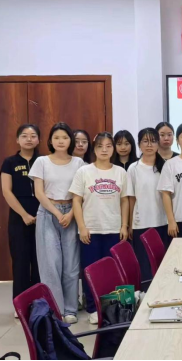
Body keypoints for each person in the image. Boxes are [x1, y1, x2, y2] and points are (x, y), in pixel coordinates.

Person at [29, 122, 85, 324]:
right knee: (50, 264)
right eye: (56, 138)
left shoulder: (79, 163)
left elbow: (81, 192)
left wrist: (69, 214)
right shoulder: (42, 162)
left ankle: (70, 309)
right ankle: (56, 310)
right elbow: (39, 193)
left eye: (65, 137)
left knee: (71, 265)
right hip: (47, 212)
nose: (61, 141)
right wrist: (56, 212)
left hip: (72, 213)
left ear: (71, 141)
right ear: (50, 141)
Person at [70, 132, 129, 325]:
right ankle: (93, 308)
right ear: (94, 149)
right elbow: (76, 200)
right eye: (100, 146)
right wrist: (82, 227)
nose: (104, 150)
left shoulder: (120, 172)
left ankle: (114, 308)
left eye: (108, 146)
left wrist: (124, 225)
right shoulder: (84, 171)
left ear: (113, 149)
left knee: (113, 271)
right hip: (91, 230)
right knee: (91, 270)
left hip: (114, 228)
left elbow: (125, 201)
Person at [0, 124, 41, 313]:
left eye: (33, 136)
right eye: (24, 136)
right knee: (21, 262)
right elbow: (6, 191)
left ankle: (39, 303)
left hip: (42, 216)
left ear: (39, 140)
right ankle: (21, 306)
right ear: (17, 140)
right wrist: (24, 215)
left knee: (40, 262)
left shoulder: (43, 161)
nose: (29, 139)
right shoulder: (9, 162)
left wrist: (42, 213)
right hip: (19, 218)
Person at [127, 128, 170, 282]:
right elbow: (131, 198)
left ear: (158, 144)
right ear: (139, 144)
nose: (149, 145)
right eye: (145, 141)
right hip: (141, 223)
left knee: (163, 265)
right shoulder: (133, 168)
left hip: (163, 222)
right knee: (145, 268)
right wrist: (129, 224)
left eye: (153, 141)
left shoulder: (166, 166)